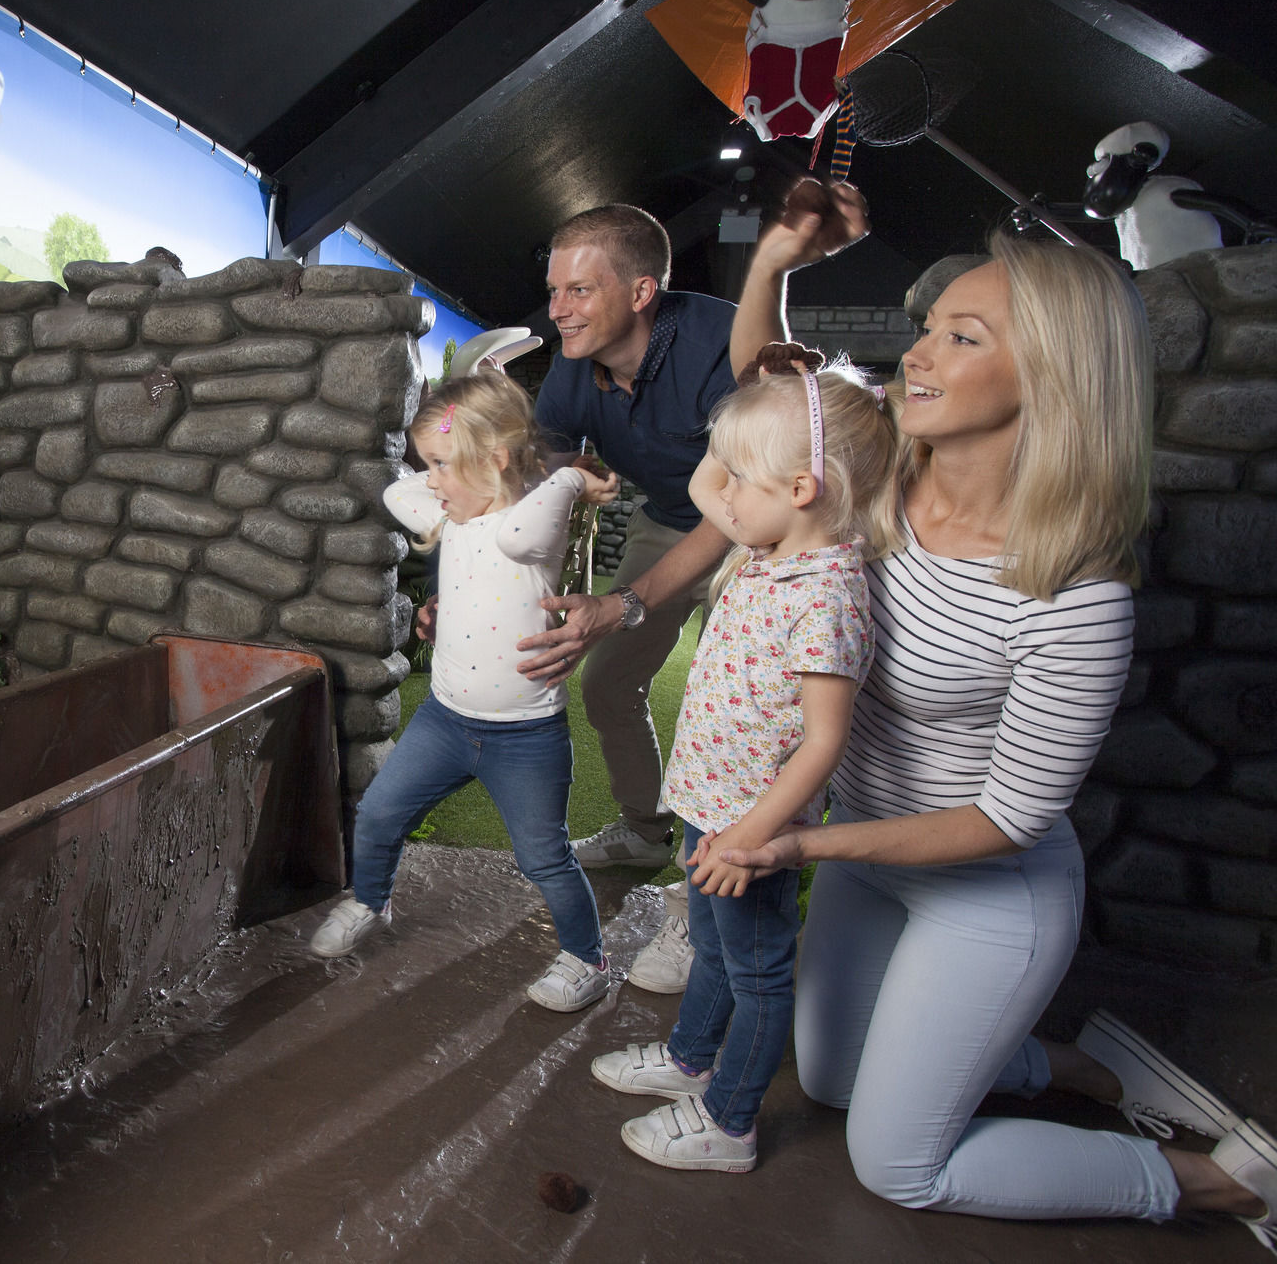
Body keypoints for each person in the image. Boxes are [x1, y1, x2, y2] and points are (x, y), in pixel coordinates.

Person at [701, 198, 1274, 1241]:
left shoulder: (1072, 594)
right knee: (823, 1077)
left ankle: (1215, 1181)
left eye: (961, 338)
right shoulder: (872, 484)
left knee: (895, 1164)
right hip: (863, 859)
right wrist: (773, 259)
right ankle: (1074, 1067)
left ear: (1050, 378)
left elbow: (1005, 819)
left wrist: (792, 840)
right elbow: (765, 400)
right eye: (929, 327)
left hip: (986, 887)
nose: (918, 353)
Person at [592, 354, 900, 1172]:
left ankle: (730, 1119)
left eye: (742, 478)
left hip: (751, 826)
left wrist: (754, 838)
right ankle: (692, 1058)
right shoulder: (768, 545)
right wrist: (763, 408)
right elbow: (706, 486)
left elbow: (825, 741)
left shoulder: (827, 591)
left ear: (802, 489)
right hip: (707, 799)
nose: (720, 493)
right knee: (716, 952)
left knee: (760, 973)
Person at [309, 370, 621, 1012]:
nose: (432, 481)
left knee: (544, 858)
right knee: (379, 814)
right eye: (430, 465)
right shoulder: (458, 508)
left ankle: (586, 959)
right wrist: (441, 466)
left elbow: (512, 536)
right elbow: (398, 493)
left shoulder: (531, 518)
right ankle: (372, 899)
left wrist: (567, 477)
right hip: (446, 723)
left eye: (443, 465)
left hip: (526, 737)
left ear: (497, 461)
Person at [529, 204, 742, 995]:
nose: (558, 309)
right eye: (554, 290)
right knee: (608, 681)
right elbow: (538, 480)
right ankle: (648, 830)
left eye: (579, 290)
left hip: (763, 532)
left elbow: (745, 505)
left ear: (644, 289)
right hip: (672, 513)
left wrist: (621, 604)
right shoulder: (569, 363)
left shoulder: (719, 344)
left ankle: (707, 905)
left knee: (732, 709)